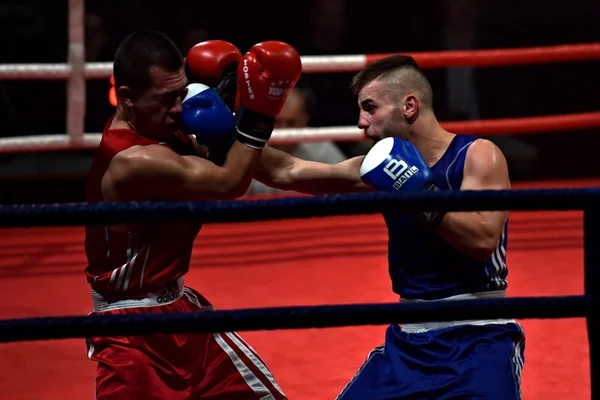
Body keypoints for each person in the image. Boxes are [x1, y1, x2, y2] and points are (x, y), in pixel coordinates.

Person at [251, 55, 524, 399]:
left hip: (479, 338)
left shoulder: (478, 155)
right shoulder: (378, 168)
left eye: (370, 107)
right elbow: (287, 171)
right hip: (410, 338)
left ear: (409, 106)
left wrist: (419, 192)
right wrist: (231, 134)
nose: (361, 123)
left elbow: (483, 238)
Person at [83, 30, 302, 399]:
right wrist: (258, 116)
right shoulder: (132, 160)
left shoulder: (167, 129)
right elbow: (230, 183)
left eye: (182, 92)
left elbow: (280, 169)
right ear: (126, 99)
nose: (177, 107)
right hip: (131, 333)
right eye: (165, 98)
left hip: (182, 310)